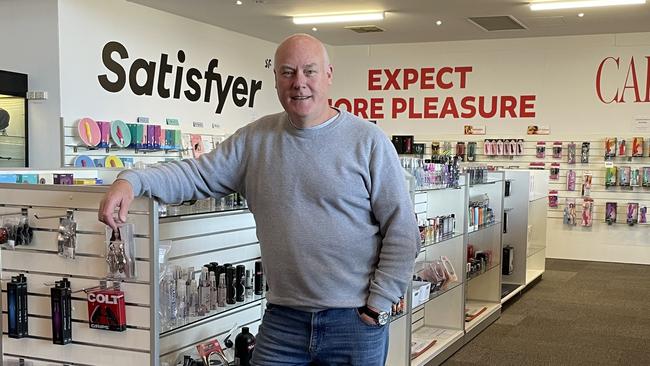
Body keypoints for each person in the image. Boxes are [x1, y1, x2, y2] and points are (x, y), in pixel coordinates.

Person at [99, 33, 419, 365]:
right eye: (287, 72)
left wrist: (377, 303)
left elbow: (403, 229)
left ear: (328, 75)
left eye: (309, 71)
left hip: (353, 321)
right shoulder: (256, 139)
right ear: (276, 79)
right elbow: (196, 175)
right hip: (284, 320)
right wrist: (132, 180)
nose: (299, 83)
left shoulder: (368, 141)